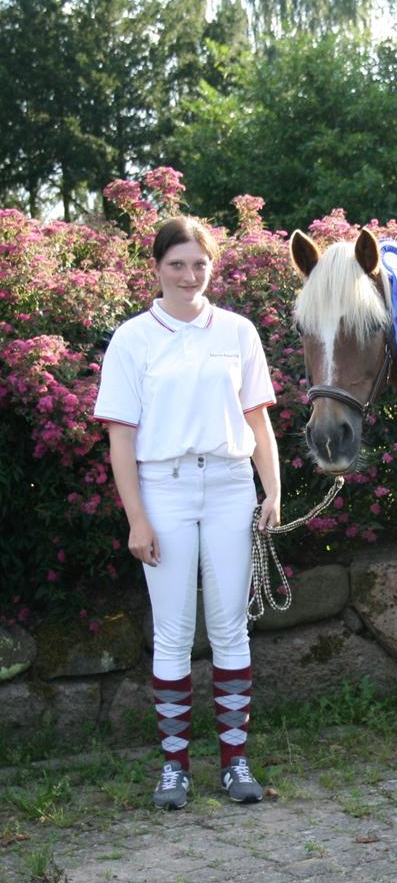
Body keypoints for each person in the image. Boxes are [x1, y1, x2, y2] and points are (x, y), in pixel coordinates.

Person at [94, 216, 281, 810]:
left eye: (199, 263)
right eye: (176, 263)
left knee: (229, 627)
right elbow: (121, 437)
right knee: (173, 632)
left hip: (230, 486)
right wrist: (137, 519)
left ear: (212, 266)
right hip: (164, 490)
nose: (188, 274)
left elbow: (258, 419)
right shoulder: (133, 338)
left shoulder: (237, 331)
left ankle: (235, 763)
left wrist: (271, 490)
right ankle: (173, 768)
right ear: (155, 268)